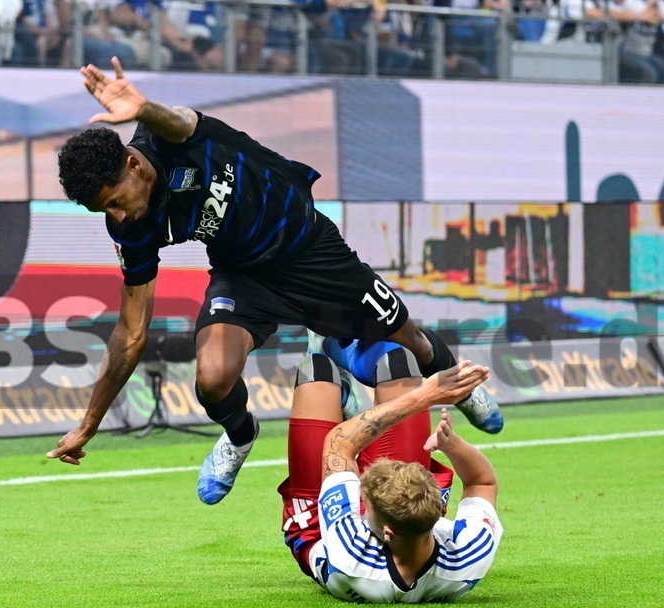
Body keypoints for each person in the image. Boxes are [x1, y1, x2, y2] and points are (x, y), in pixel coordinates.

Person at [50, 57, 503, 506]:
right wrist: (89, 423)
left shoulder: (172, 139)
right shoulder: (131, 227)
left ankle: (462, 384)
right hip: (243, 276)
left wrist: (144, 107)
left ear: (133, 164)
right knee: (212, 378)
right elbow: (131, 333)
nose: (117, 216)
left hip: (311, 252)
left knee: (412, 342)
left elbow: (181, 120)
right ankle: (239, 437)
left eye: (114, 202)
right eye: (102, 212)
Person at [281, 344, 501, 603]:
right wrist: (451, 444)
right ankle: (351, 377)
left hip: (319, 530)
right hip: (399, 525)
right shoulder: (468, 554)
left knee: (316, 370)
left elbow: (339, 446)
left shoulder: (349, 555)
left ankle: (333, 366)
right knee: (399, 361)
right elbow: (482, 482)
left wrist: (425, 397)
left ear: (386, 533)